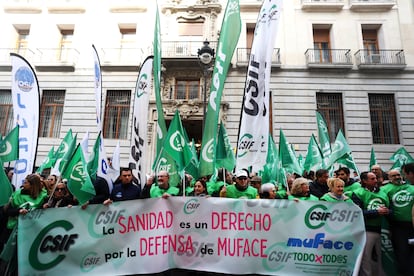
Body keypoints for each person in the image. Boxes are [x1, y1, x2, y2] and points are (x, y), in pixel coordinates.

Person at [0, 174, 48, 275]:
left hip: (30, 232)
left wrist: (45, 207)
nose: (23, 184)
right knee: (9, 257)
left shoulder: (42, 196)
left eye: (26, 182)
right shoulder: (17, 194)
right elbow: (7, 211)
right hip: (13, 230)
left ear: (32, 185)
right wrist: (18, 211)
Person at [352, 172, 390, 276]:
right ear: (364, 181)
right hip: (367, 230)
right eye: (372, 179)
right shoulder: (357, 193)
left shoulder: (383, 193)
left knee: (384, 257)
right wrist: (376, 212)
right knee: (366, 257)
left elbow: (392, 209)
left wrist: (387, 211)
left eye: (376, 178)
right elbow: (358, 213)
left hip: (383, 230)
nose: (376, 180)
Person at [381, 167, 414, 276]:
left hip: (412, 225)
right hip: (397, 226)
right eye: (393, 176)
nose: (397, 177)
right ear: (389, 178)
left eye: (398, 175)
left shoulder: (412, 188)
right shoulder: (385, 189)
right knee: (402, 251)